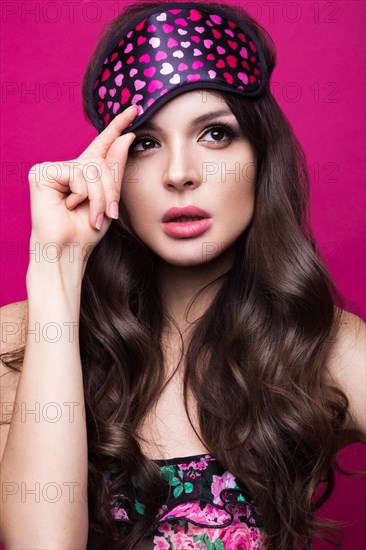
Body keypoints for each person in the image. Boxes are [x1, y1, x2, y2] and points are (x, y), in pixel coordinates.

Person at [0, 1, 365, 549]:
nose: (179, 174)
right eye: (145, 143)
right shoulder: (18, 343)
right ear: (112, 169)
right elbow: (42, 544)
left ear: (262, 156)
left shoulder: (325, 344)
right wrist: (56, 268)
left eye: (215, 135)